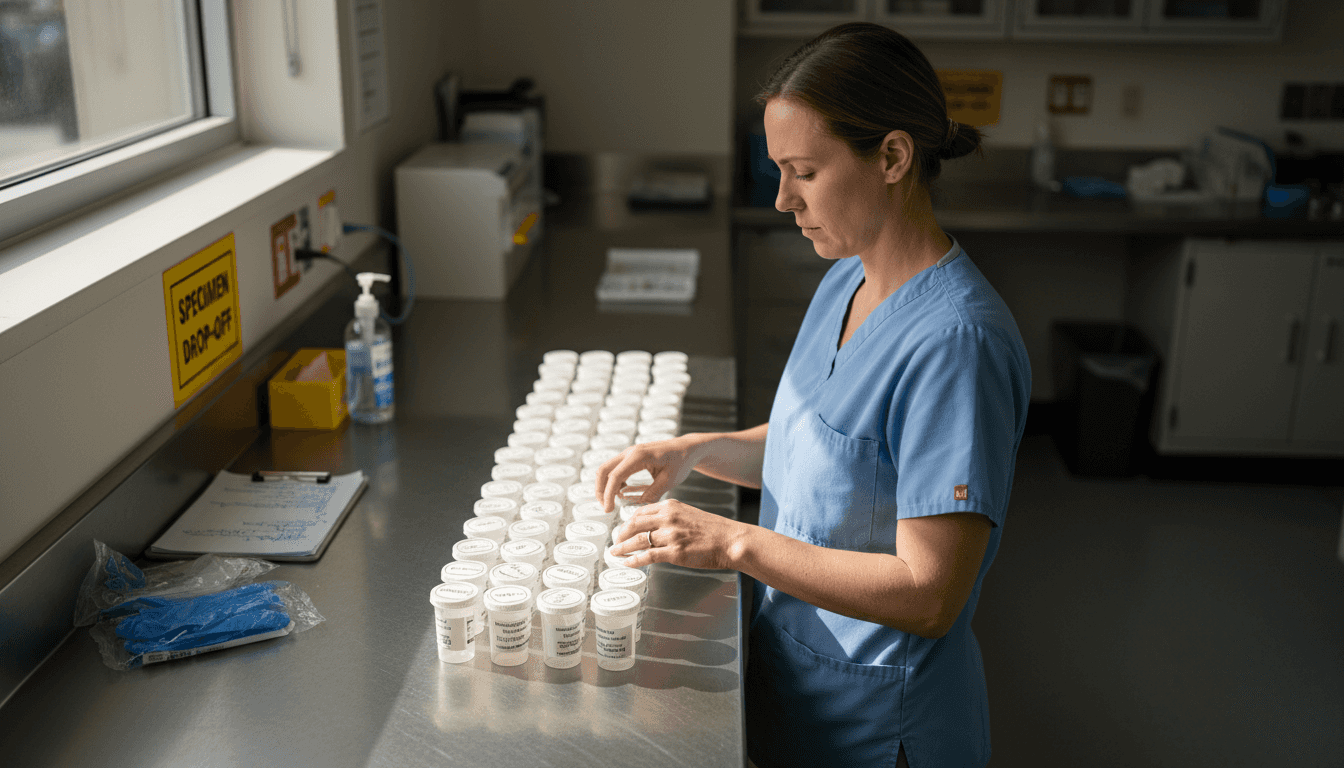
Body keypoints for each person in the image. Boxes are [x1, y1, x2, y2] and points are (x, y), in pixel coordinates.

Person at [599, 21, 1031, 768]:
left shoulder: (957, 343)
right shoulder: (846, 277)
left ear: (893, 157)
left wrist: (731, 542)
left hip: (877, 723)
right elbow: (820, 447)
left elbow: (929, 594)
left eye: (803, 170)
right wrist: (697, 452)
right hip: (797, 687)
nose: (780, 199)